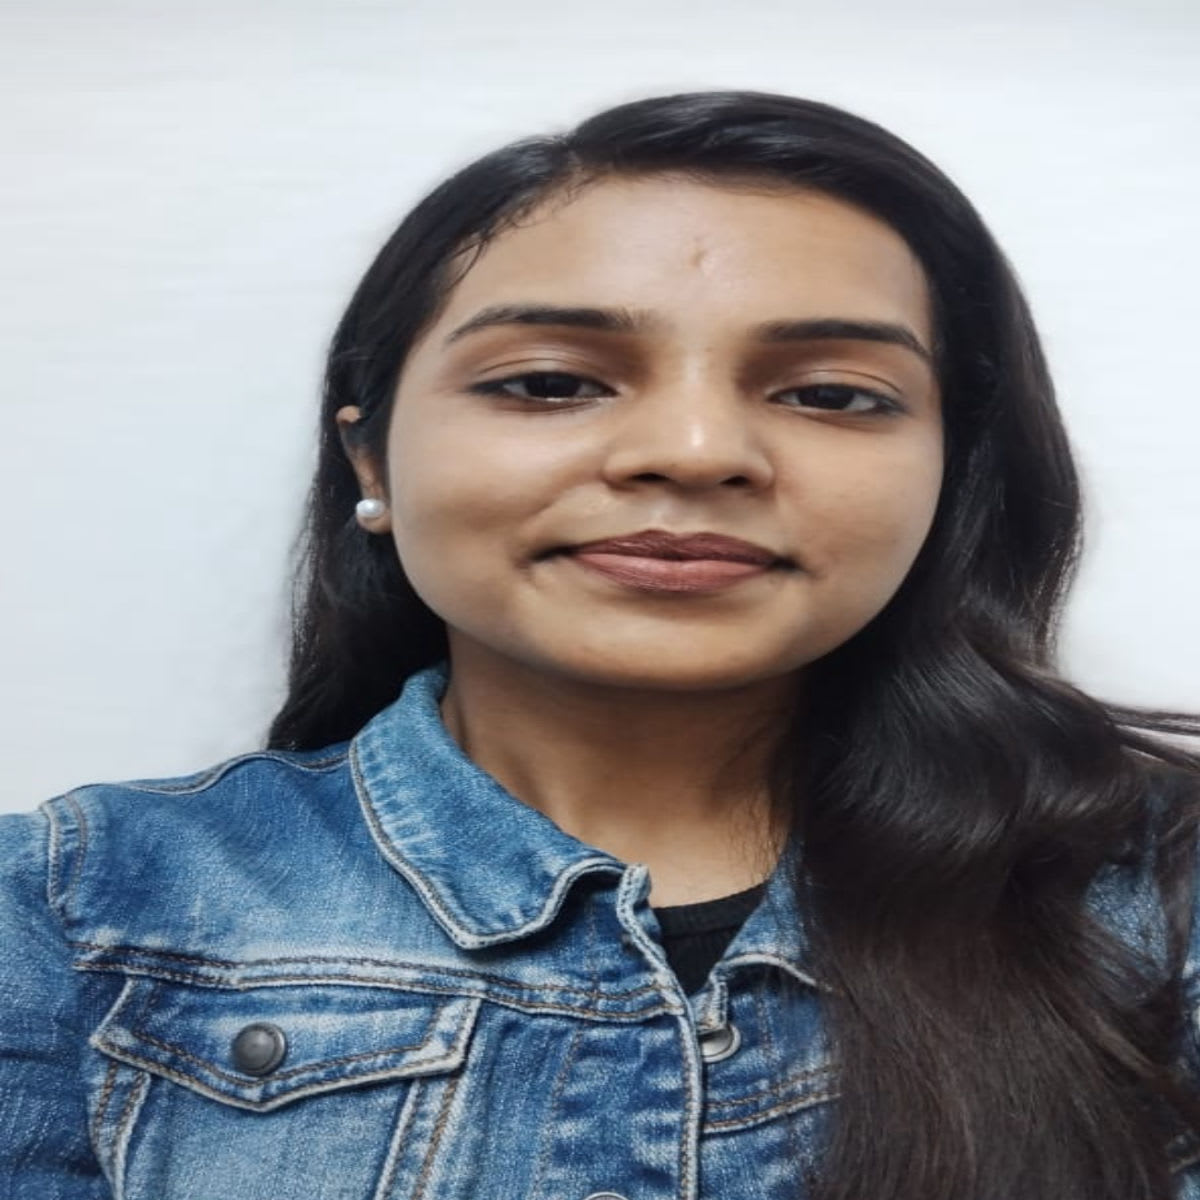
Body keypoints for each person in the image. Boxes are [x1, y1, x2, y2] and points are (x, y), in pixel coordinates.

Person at [2, 89, 1199, 1200]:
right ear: (371, 459)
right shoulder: (68, 910)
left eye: (830, 395)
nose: (693, 451)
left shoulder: (1168, 898)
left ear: (951, 474)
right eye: (550, 382)